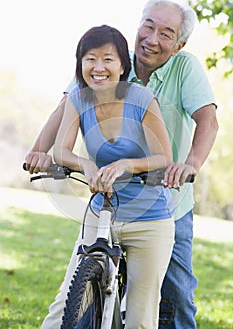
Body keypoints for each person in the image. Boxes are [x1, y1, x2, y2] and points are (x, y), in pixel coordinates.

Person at [25, 0, 218, 328]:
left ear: (179, 44)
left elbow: (208, 121)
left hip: (167, 197)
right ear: (138, 26)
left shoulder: (184, 68)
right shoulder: (110, 60)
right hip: (108, 202)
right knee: (77, 301)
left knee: (174, 298)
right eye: (148, 26)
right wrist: (38, 151)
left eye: (166, 33)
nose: (153, 38)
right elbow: (65, 107)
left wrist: (191, 164)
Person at [54, 23, 175, 328]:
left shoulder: (142, 98)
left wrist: (125, 165)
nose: (98, 67)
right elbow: (60, 151)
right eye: (90, 58)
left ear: (123, 66)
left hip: (150, 222)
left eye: (108, 59)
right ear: (80, 63)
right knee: (64, 306)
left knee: (141, 316)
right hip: (101, 214)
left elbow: (164, 158)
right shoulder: (77, 100)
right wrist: (87, 165)